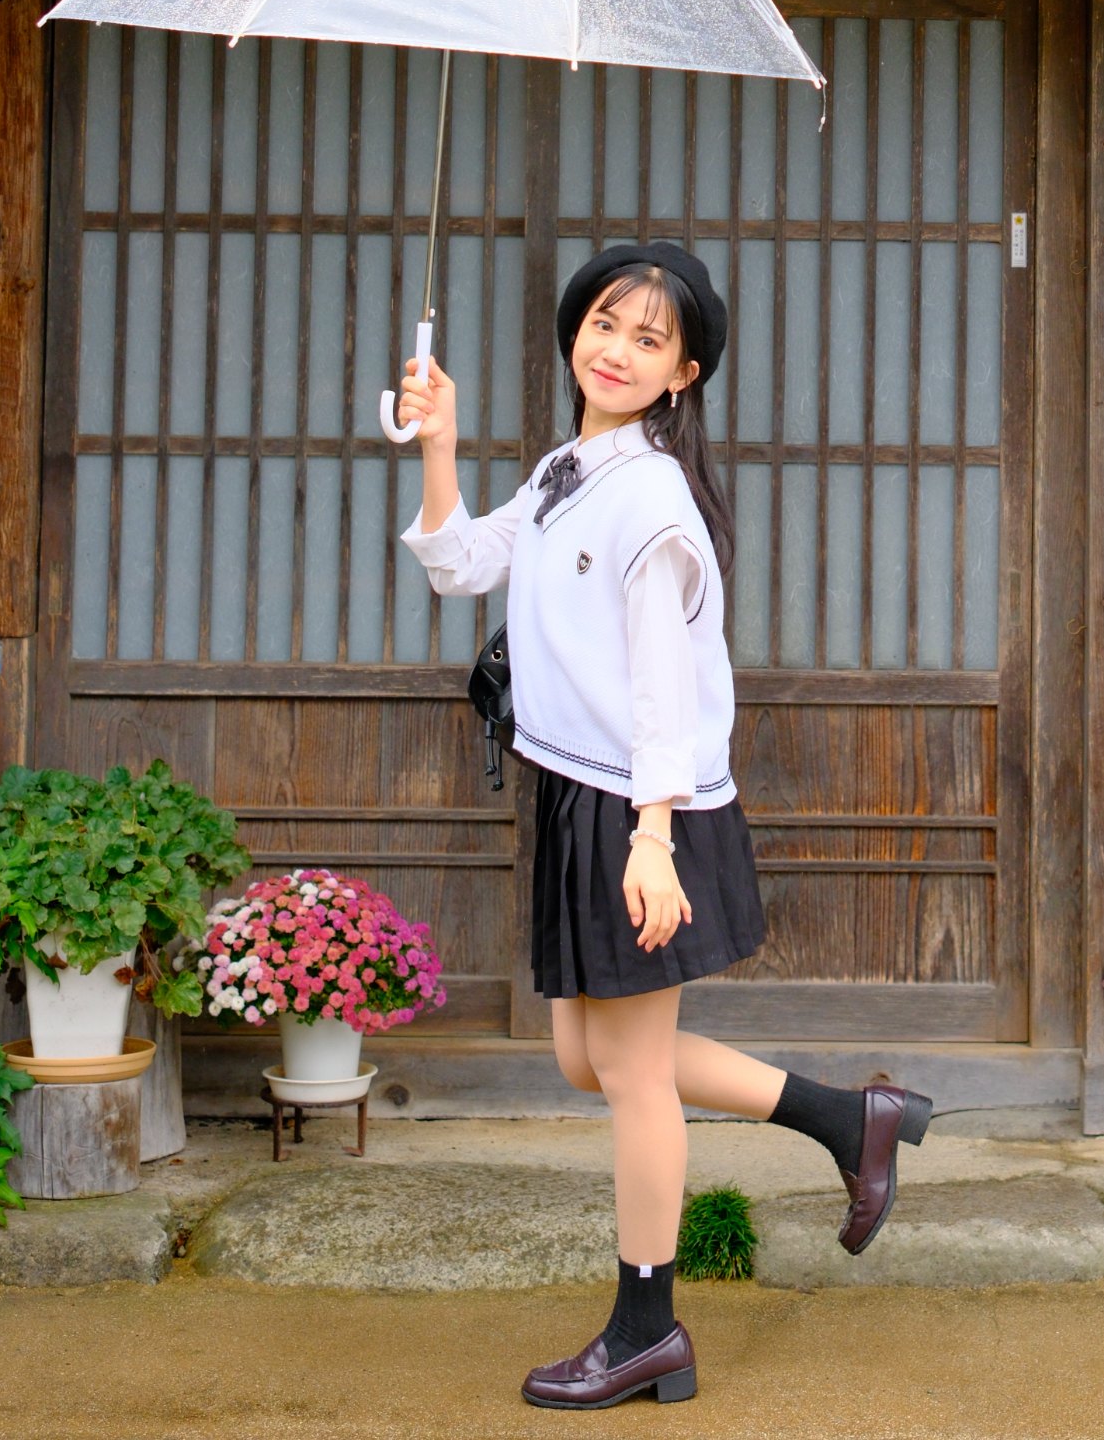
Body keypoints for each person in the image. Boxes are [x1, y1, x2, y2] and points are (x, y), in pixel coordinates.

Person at [399, 238, 931, 1411]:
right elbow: (458, 565)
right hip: (584, 790)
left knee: (630, 1076)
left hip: (643, 805)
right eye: (604, 323)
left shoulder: (650, 497)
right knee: (587, 1057)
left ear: (685, 371)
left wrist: (649, 836)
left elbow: (662, 689)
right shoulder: (567, 467)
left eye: (650, 338)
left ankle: (647, 1326)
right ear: (572, 333)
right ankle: (852, 1117)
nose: (619, 349)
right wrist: (438, 444)